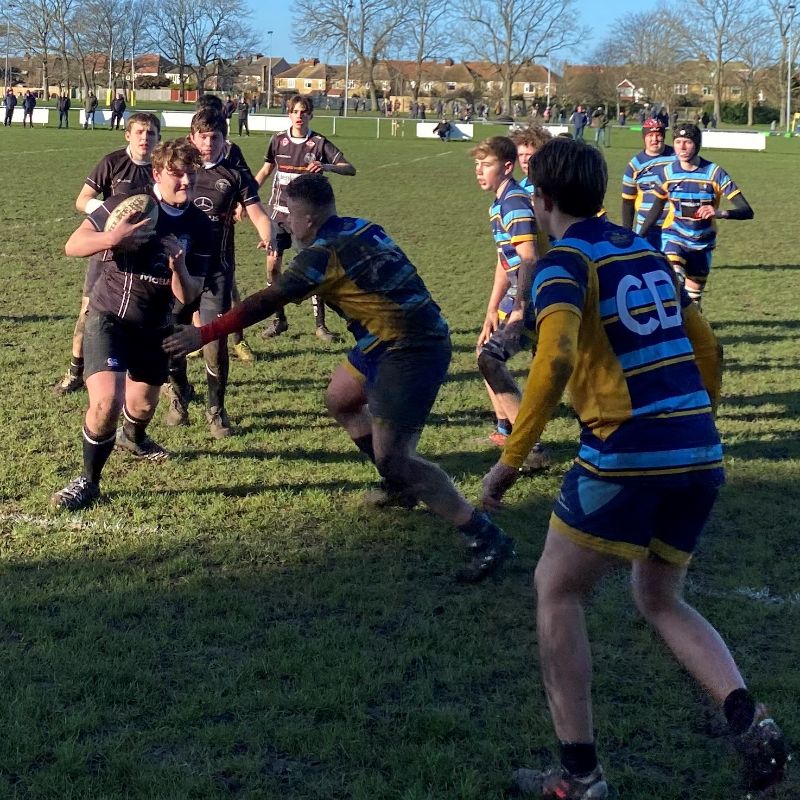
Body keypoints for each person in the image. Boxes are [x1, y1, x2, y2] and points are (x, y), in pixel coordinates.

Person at [481, 137, 787, 799]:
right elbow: (707, 342)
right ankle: (747, 717)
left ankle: (579, 776)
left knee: (556, 590)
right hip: (698, 449)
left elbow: (555, 360)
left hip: (627, 452)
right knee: (658, 596)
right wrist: (697, 415)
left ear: (541, 199)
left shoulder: (563, 263)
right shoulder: (644, 249)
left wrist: (509, 462)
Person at [164, 173, 515, 583]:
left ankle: (483, 534)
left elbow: (266, 301)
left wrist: (203, 333)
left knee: (395, 456)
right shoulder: (364, 226)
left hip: (411, 348)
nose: (286, 225)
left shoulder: (319, 256)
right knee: (341, 399)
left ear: (309, 219)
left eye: (291, 216)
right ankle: (398, 487)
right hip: (383, 339)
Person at [51, 139, 213, 512]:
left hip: (156, 328)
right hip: (109, 317)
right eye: (178, 175)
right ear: (157, 173)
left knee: (140, 408)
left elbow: (189, 294)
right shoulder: (130, 204)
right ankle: (88, 482)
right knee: (108, 401)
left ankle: (134, 438)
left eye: (191, 174)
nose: (187, 182)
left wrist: (179, 268)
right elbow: (72, 245)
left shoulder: (200, 226)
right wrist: (113, 237)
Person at [161, 109, 271, 438]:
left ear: (225, 139)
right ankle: (179, 396)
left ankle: (216, 409)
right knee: (173, 339)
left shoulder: (234, 175)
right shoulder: (178, 171)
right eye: (203, 136)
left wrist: (269, 235)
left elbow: (256, 211)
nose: (209, 143)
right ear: (192, 137)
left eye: (215, 137)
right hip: (178, 272)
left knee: (215, 339)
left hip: (217, 272)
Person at [53, 113, 162, 396]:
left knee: (156, 316)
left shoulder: (163, 169)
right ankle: (76, 370)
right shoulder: (113, 162)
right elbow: (82, 201)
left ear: (158, 138)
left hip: (147, 257)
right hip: (107, 253)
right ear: (128, 134)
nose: (145, 138)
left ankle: (164, 379)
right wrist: (107, 216)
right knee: (88, 312)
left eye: (151, 133)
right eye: (139, 132)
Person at [473, 136, 549, 471]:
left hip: (531, 292)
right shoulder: (498, 202)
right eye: (477, 164)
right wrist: (491, 309)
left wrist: (518, 308)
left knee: (491, 359)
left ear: (506, 167)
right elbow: (505, 260)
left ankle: (531, 446)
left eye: (486, 164)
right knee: (483, 352)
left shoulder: (514, 202)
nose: (479, 171)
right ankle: (506, 429)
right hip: (516, 291)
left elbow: (530, 259)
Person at [254, 94, 356, 343]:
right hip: (278, 215)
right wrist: (245, 197)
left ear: (311, 115)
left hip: (307, 221)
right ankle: (279, 319)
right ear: (288, 114)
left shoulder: (319, 144)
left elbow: (350, 168)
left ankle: (320, 325)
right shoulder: (277, 141)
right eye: (295, 111)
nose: (299, 116)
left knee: (312, 270)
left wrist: (327, 167)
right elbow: (266, 170)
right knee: (273, 266)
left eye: (304, 112)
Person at [639, 123, 754, 308]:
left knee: (693, 302)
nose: (682, 147)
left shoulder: (714, 173)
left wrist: (719, 213)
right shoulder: (667, 173)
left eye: (687, 142)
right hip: (674, 237)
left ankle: (690, 328)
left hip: (703, 243)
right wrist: (639, 236)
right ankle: (670, 326)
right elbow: (656, 208)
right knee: (674, 281)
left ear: (697, 144)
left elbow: (747, 211)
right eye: (677, 142)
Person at [621, 117, 675, 250]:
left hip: (674, 228)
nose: (654, 139)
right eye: (650, 135)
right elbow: (628, 201)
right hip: (646, 228)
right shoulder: (635, 164)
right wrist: (627, 231)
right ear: (644, 138)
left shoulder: (677, 158)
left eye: (658, 135)